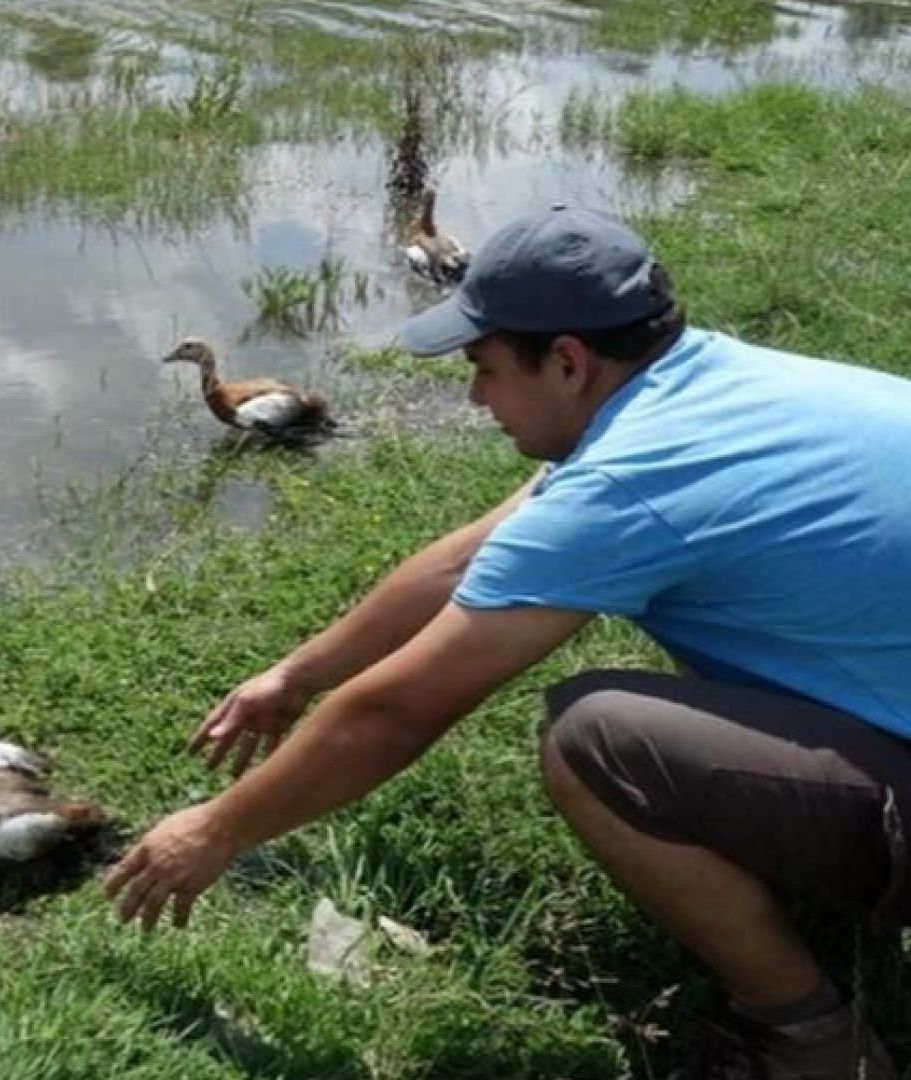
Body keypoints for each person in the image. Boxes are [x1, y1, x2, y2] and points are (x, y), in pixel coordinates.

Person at [104, 205, 911, 1079]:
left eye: (484, 370)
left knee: (599, 740)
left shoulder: (631, 481)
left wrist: (217, 828)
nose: (475, 397)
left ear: (568, 361)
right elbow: (464, 561)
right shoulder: (707, 383)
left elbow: (403, 708)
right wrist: (296, 674)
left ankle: (814, 1045)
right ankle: (820, 884)